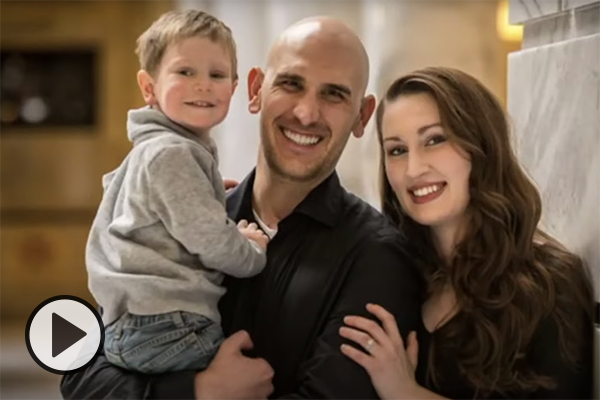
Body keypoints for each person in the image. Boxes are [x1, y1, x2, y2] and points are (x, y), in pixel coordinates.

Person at [61, 16, 423, 399]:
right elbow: (81, 377)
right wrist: (198, 392)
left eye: (334, 94)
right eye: (291, 83)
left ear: (362, 116)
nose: (306, 113)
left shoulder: (377, 257)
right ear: (255, 90)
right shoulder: (187, 209)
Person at [339, 67, 594, 399]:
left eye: (435, 140)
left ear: (480, 146)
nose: (414, 170)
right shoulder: (391, 274)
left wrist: (405, 392)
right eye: (397, 150)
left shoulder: (550, 286)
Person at [85, 9, 270, 375]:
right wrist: (252, 250)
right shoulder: (173, 154)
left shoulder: (154, 150)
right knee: (256, 374)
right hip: (169, 326)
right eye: (185, 72)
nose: (202, 84)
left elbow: (151, 213)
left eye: (216, 75)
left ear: (233, 87)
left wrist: (207, 193)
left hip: (133, 324)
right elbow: (212, 243)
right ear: (149, 86)